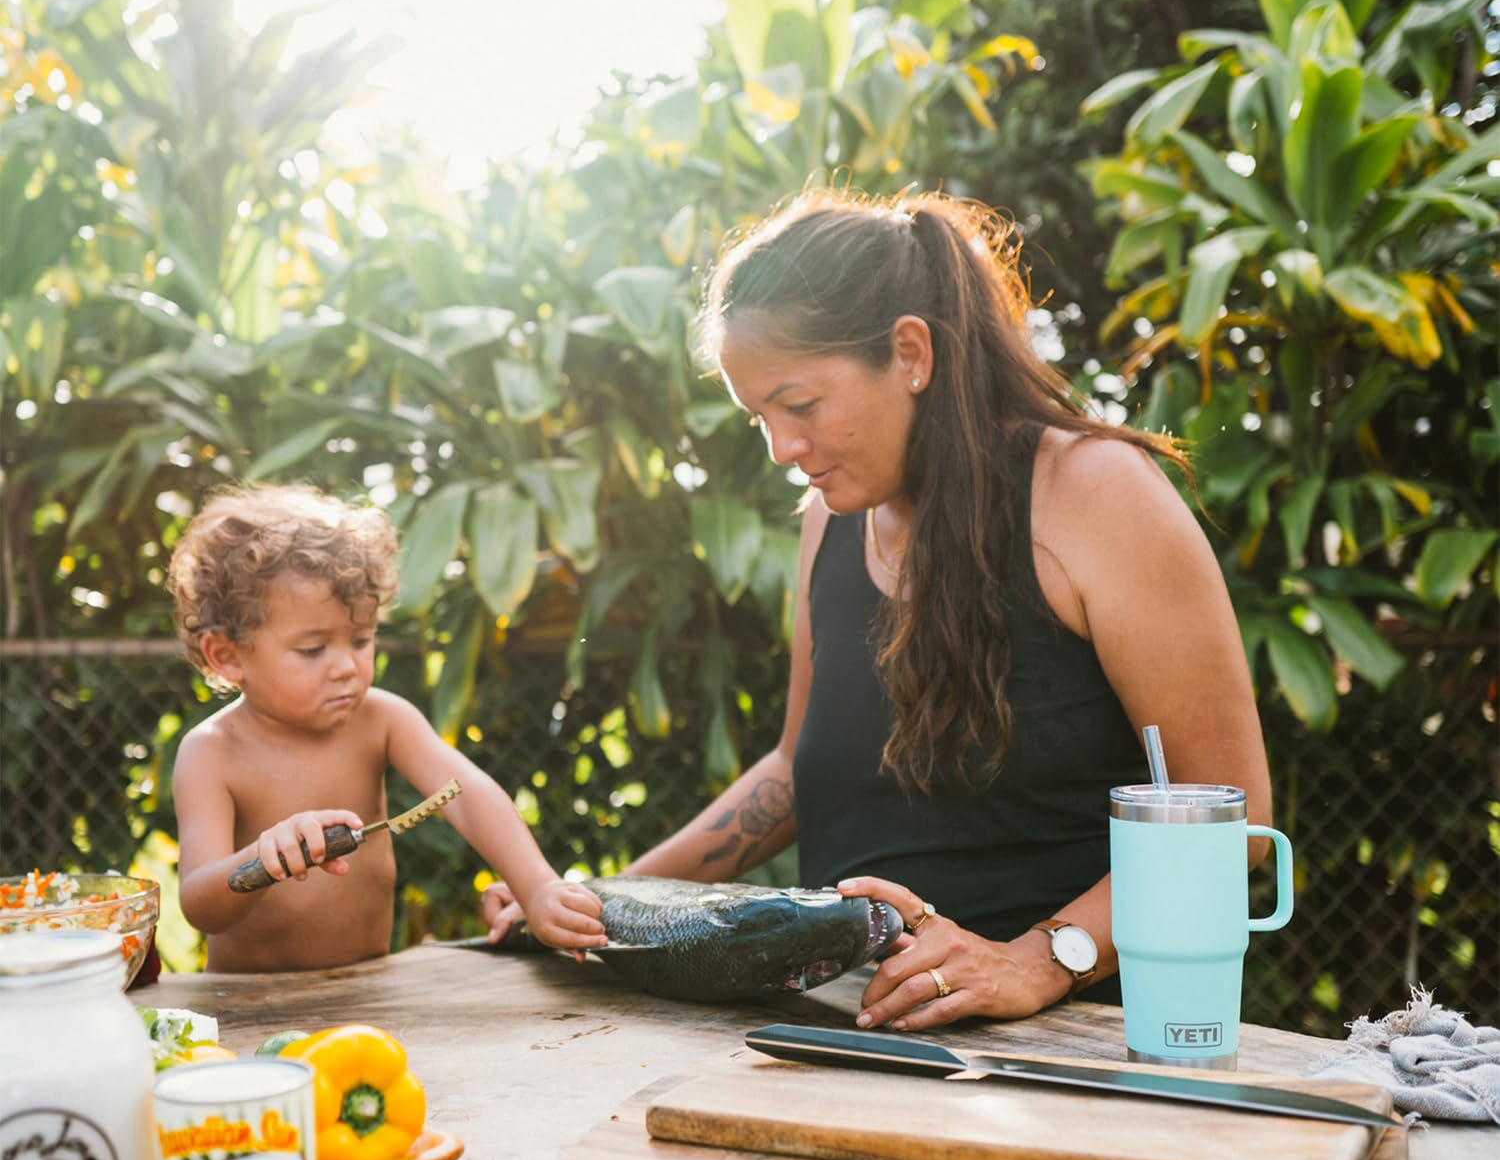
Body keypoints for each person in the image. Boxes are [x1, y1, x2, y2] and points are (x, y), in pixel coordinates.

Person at [488, 186, 1272, 1033]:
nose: (783, 450)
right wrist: (596, 907)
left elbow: (1237, 825)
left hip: (1065, 1041)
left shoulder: (1095, 493)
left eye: (799, 406)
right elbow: (794, 772)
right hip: (848, 1033)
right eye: (760, 418)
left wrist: (1036, 962)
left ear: (909, 354)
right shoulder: (831, 520)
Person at [168, 483, 605, 973]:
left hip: (369, 989)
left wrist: (538, 886)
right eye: (312, 650)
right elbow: (200, 904)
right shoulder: (211, 753)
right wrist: (261, 861)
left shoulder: (381, 719)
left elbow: (467, 794)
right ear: (226, 656)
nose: (346, 667)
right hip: (249, 1004)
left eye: (361, 639)